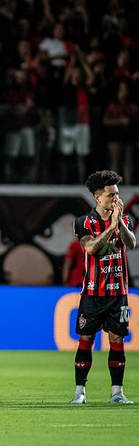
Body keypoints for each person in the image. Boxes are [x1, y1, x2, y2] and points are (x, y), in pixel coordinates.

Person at [71, 170, 135, 404]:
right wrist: (110, 229)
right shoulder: (83, 222)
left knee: (117, 340)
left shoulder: (125, 219)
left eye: (117, 194)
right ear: (98, 197)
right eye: (111, 195)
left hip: (118, 294)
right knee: (86, 339)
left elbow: (131, 243)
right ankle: (80, 392)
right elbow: (90, 248)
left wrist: (119, 225)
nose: (116, 199)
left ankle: (117, 393)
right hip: (92, 293)